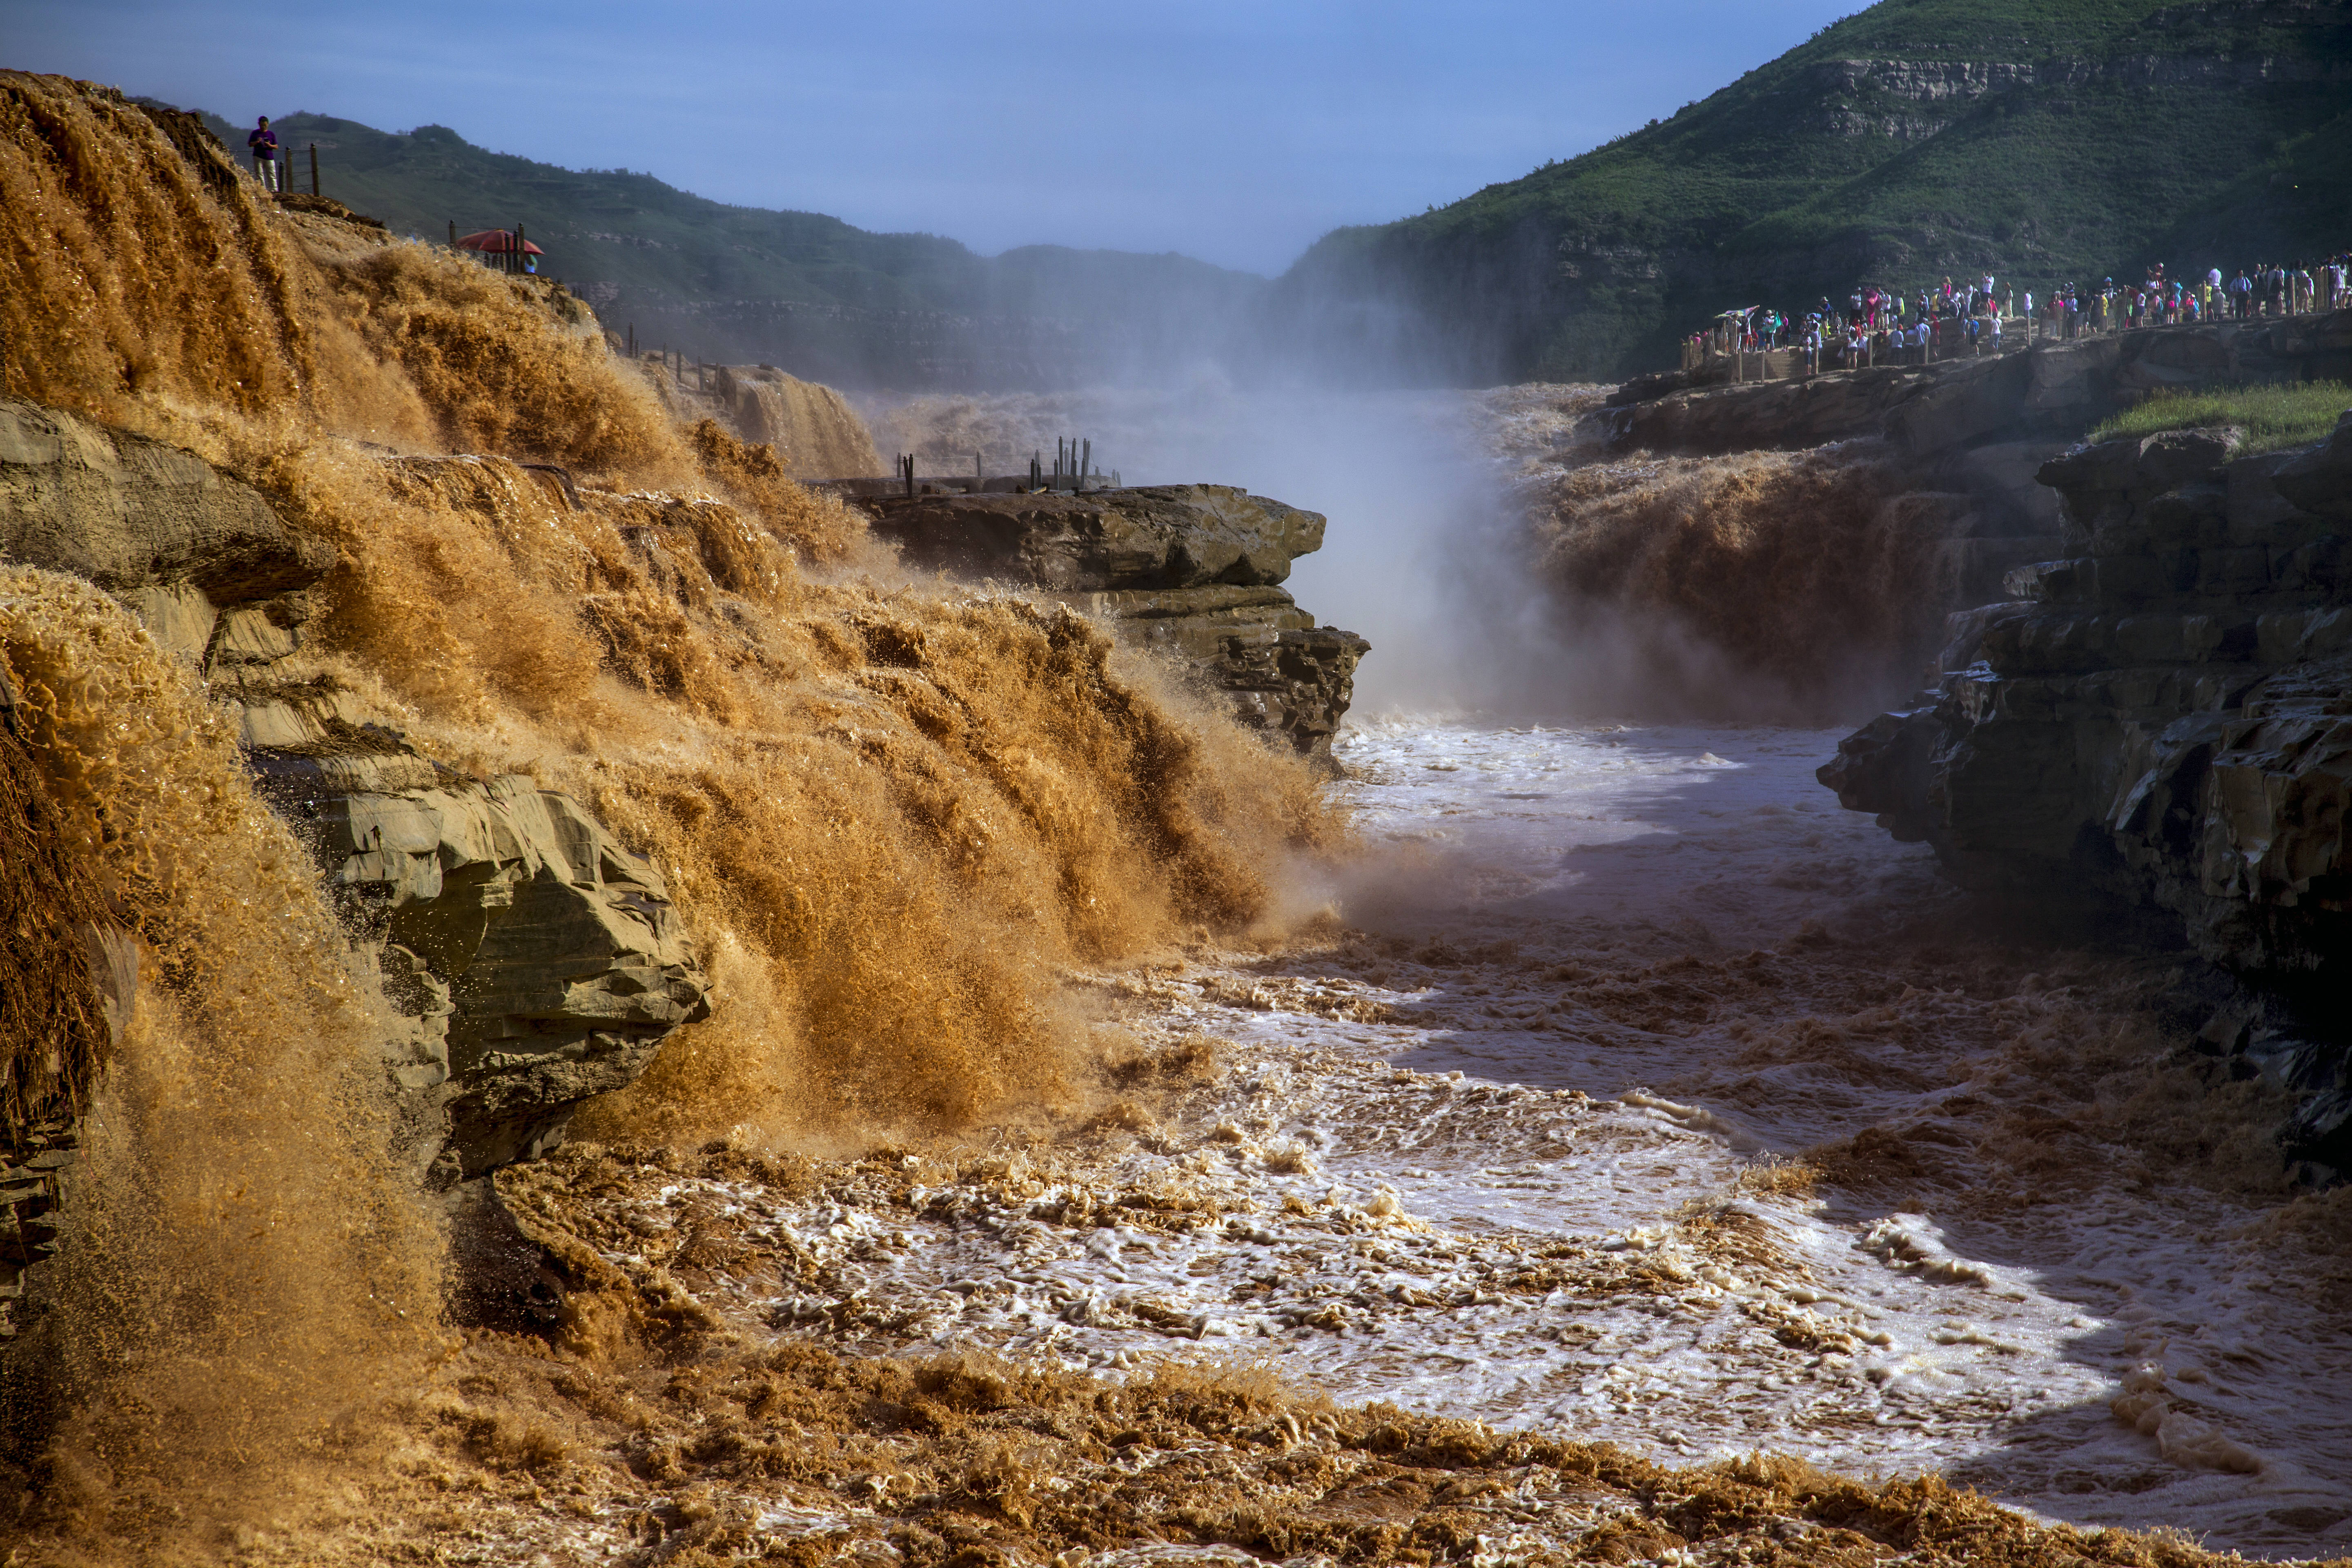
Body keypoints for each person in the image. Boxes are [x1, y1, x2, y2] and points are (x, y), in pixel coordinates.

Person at [247, 116, 279, 194]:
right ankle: (262, 192)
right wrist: (257, 142)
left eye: (265, 125)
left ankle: (274, 192)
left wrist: (269, 146)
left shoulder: (271, 134)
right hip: (258, 157)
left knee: (272, 175)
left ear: (268, 124)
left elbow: (276, 146)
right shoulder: (255, 133)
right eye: (262, 125)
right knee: (260, 175)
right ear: (259, 124)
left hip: (269, 157)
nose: (264, 127)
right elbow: (250, 144)